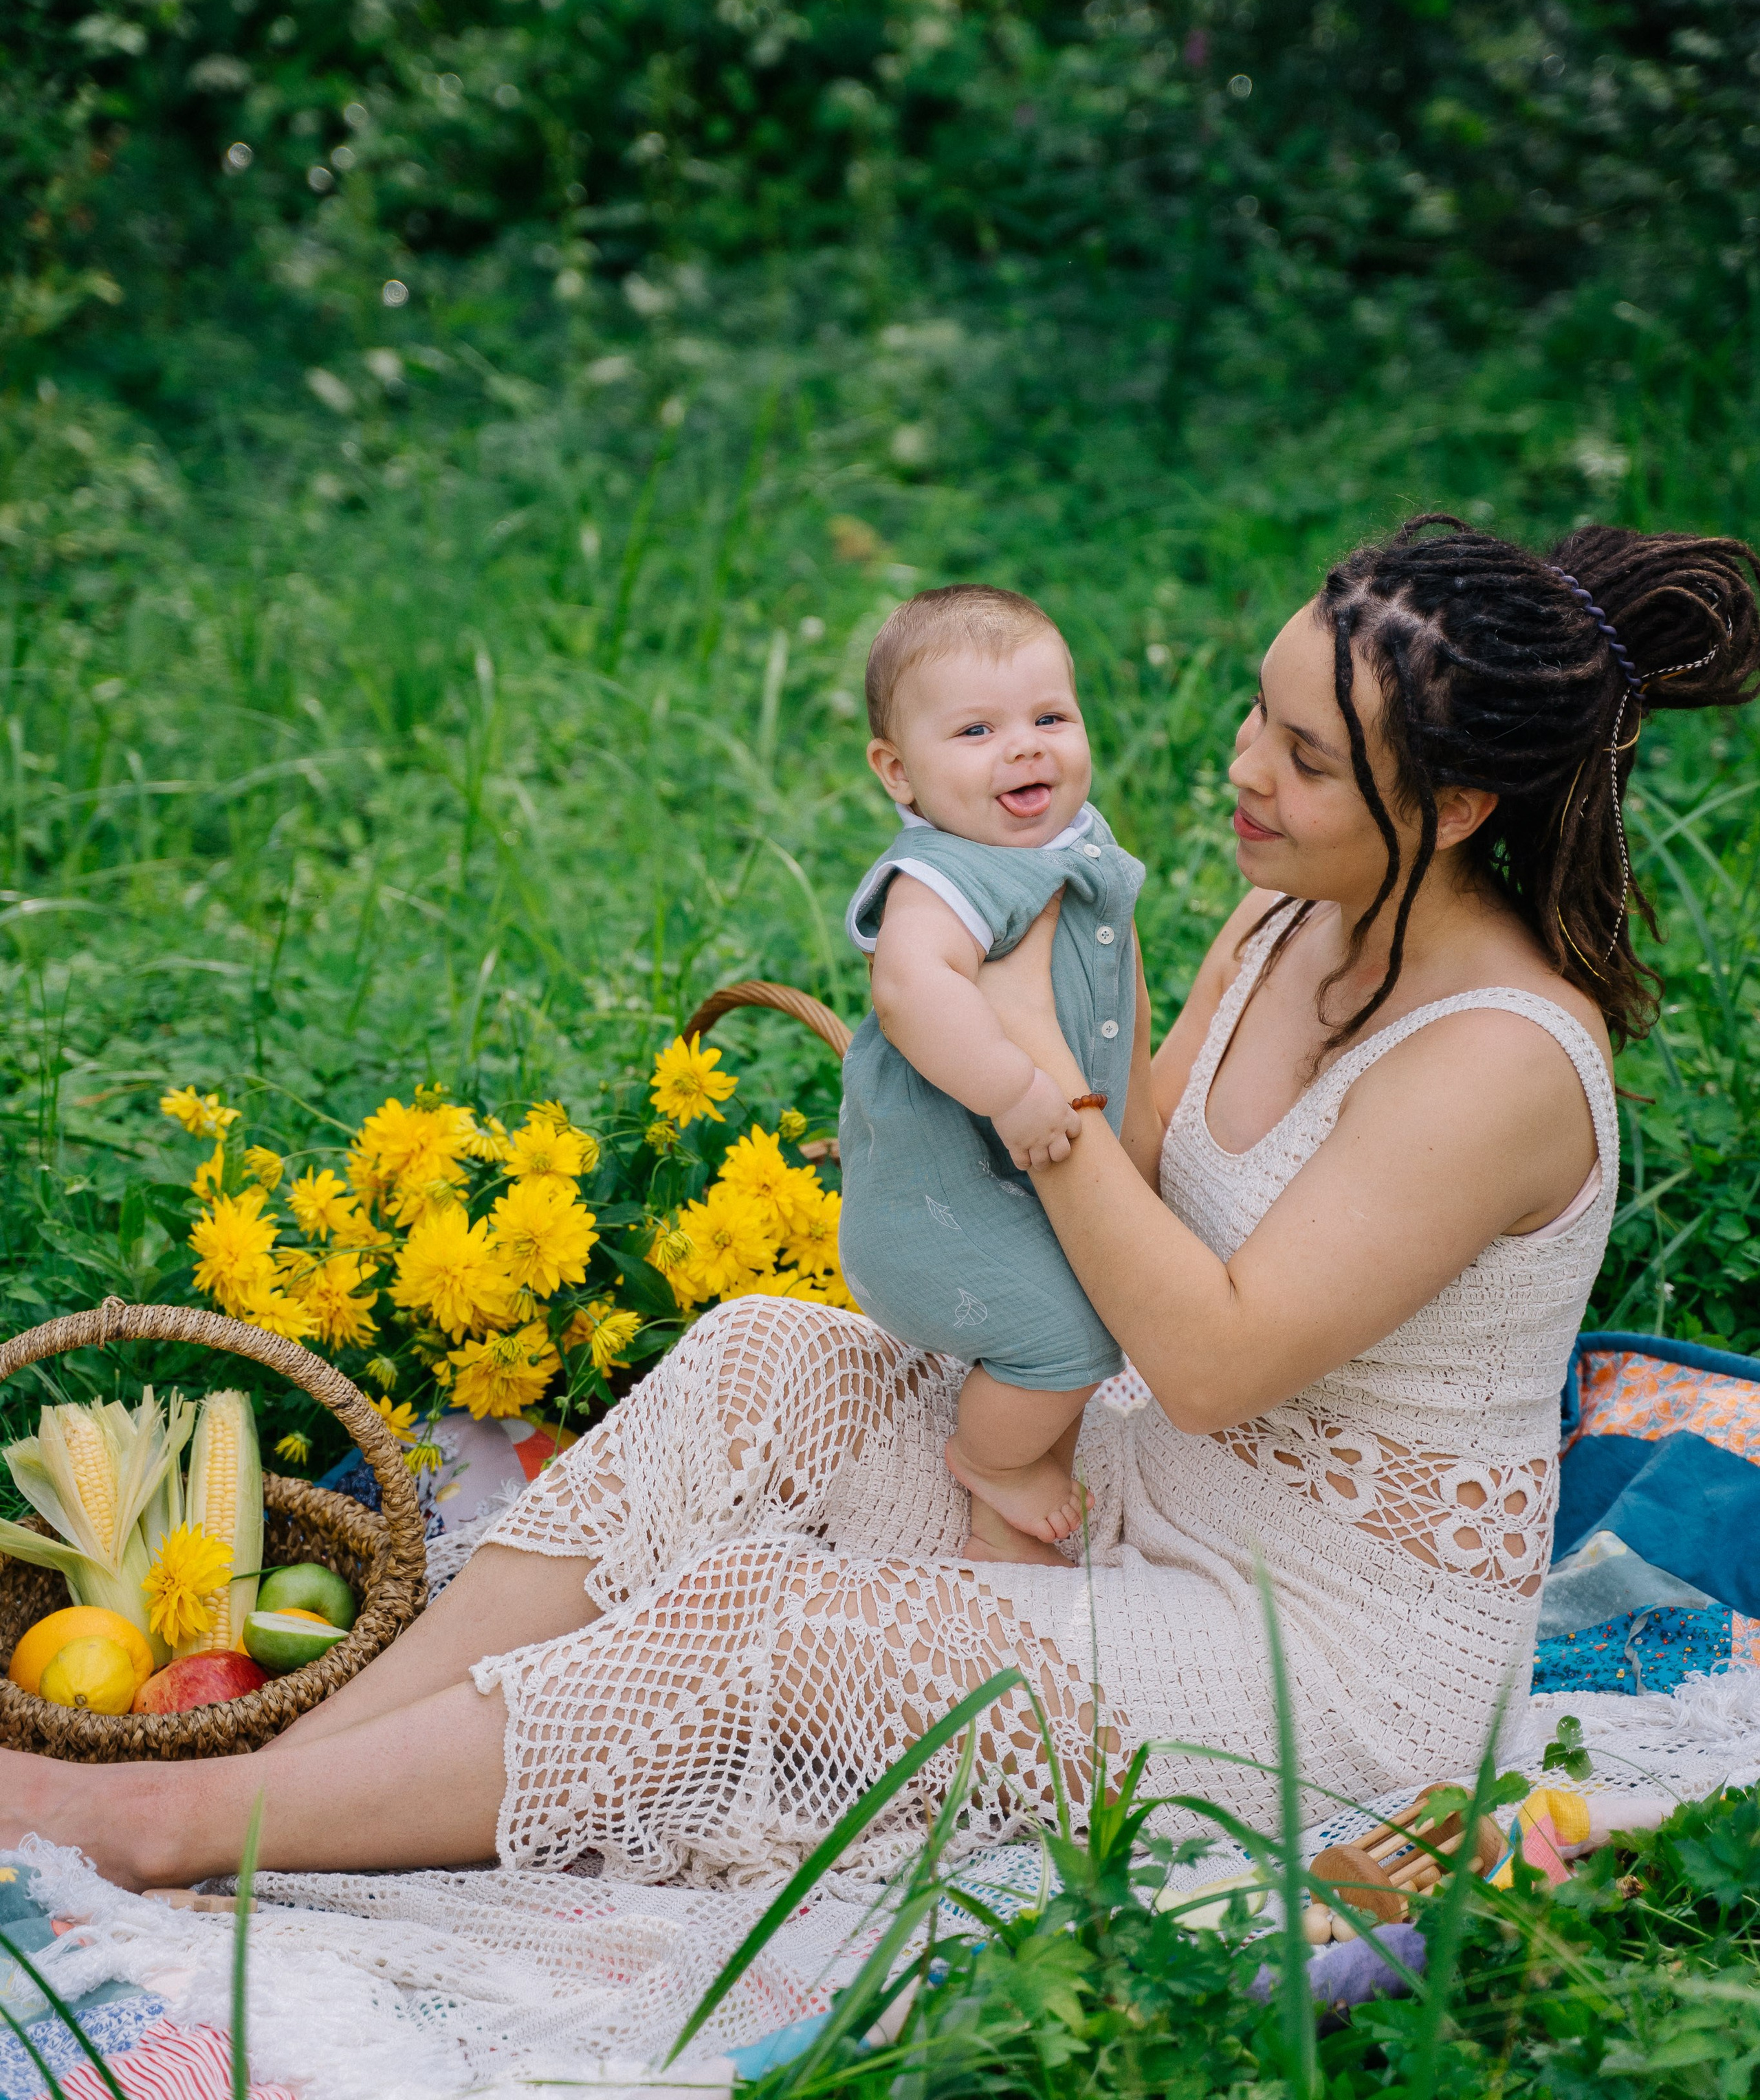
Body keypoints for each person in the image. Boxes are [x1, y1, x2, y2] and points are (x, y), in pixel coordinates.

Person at [5, 518, 1756, 1897]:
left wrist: (1031, 1087)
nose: (1240, 768)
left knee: (775, 1626)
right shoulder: (1293, 907)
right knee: (762, 1358)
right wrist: (953, 1134)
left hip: (1324, 1669)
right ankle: (283, 1770)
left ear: (1453, 809)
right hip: (1138, 1483)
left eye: (1300, 755)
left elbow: (1212, 1356)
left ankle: (173, 1833)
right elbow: (1149, 1174)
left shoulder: (1495, 1061)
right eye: (1255, 712)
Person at [838, 584, 1152, 1558]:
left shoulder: (1074, 842)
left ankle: (1005, 1532)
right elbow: (909, 988)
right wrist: (1012, 1090)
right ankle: (992, 1460)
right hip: (942, 1200)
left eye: (1050, 718)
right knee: (1074, 1339)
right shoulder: (944, 875)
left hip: (1018, 1184)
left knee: (1089, 1303)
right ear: (899, 772)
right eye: (976, 731)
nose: (1024, 748)